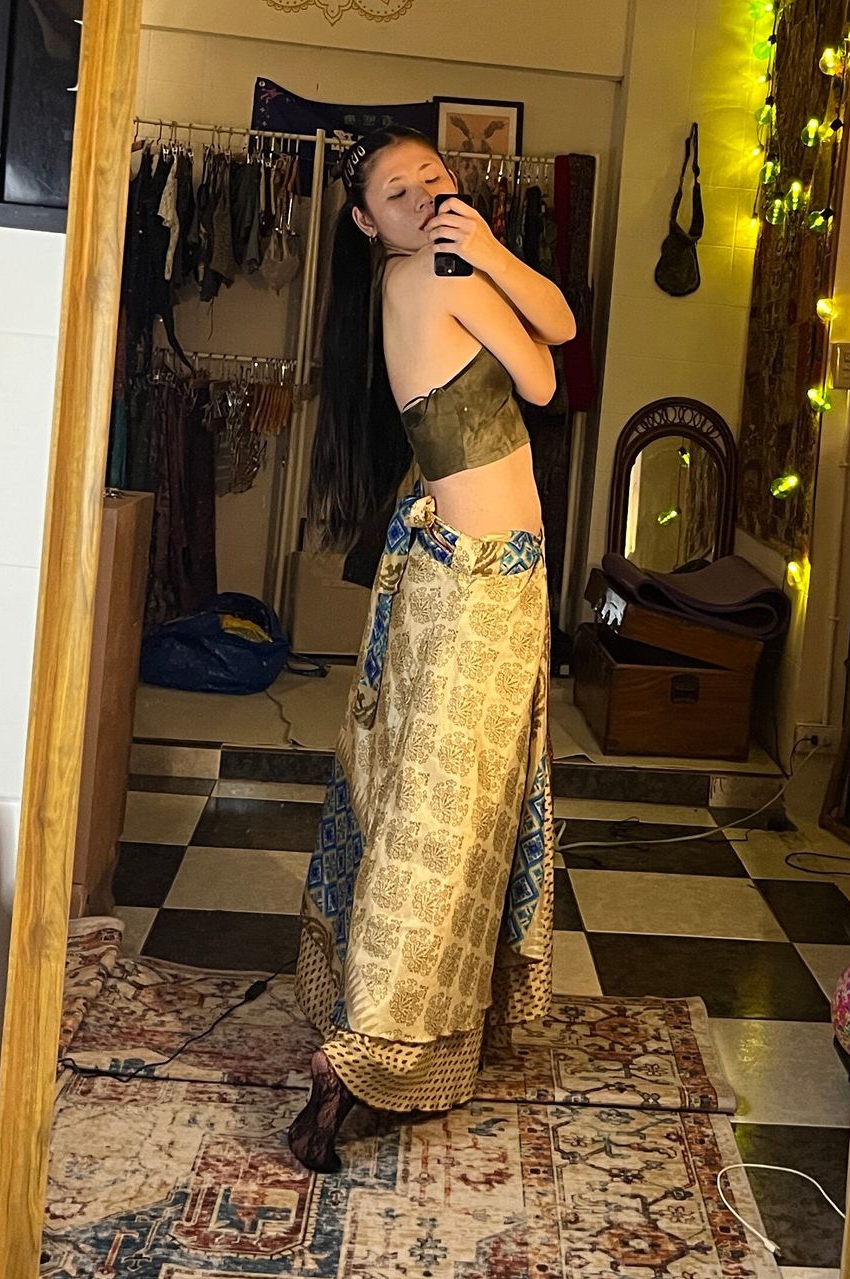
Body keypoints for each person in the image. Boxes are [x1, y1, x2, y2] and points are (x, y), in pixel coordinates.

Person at [287, 125, 576, 1174]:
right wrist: (486, 252)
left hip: (468, 575)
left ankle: (402, 1033)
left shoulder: (421, 275)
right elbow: (543, 373)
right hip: (476, 585)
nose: (423, 195)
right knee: (442, 825)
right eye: (398, 191)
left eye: (434, 179)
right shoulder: (436, 273)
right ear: (367, 221)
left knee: (435, 805)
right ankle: (358, 1058)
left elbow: (555, 327)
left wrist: (488, 252)